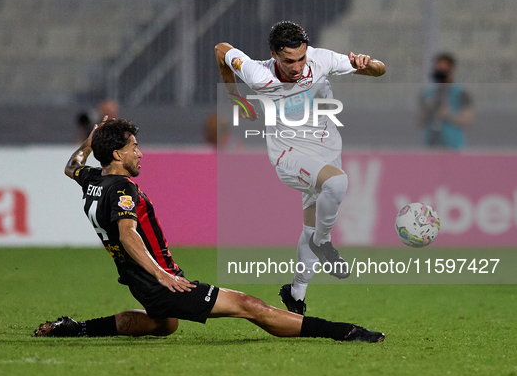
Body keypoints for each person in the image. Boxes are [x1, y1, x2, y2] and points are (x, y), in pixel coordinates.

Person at [33, 118, 384, 343]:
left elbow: (71, 166)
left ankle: (76, 328)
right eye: (133, 147)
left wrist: (90, 140)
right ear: (116, 152)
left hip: (141, 284)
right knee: (249, 306)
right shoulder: (123, 190)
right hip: (158, 281)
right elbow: (128, 235)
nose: (140, 153)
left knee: (164, 325)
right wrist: (161, 274)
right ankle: (343, 332)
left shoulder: (94, 180)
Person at [214, 21, 386, 314]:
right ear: (274, 56)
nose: (296, 67)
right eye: (288, 61)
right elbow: (221, 50)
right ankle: (325, 243)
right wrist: (234, 96)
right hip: (288, 154)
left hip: (327, 148)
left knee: (311, 222)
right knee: (338, 183)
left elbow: (380, 69)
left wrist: (367, 64)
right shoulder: (258, 73)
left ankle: (295, 294)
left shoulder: (322, 59)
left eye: (301, 59)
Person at [418, 53, 473, 149]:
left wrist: (447, 115)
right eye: (438, 67)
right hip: (431, 145)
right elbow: (419, 121)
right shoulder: (427, 94)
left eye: (444, 68)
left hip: (453, 146)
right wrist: (429, 109)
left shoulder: (460, 93)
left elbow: (467, 119)